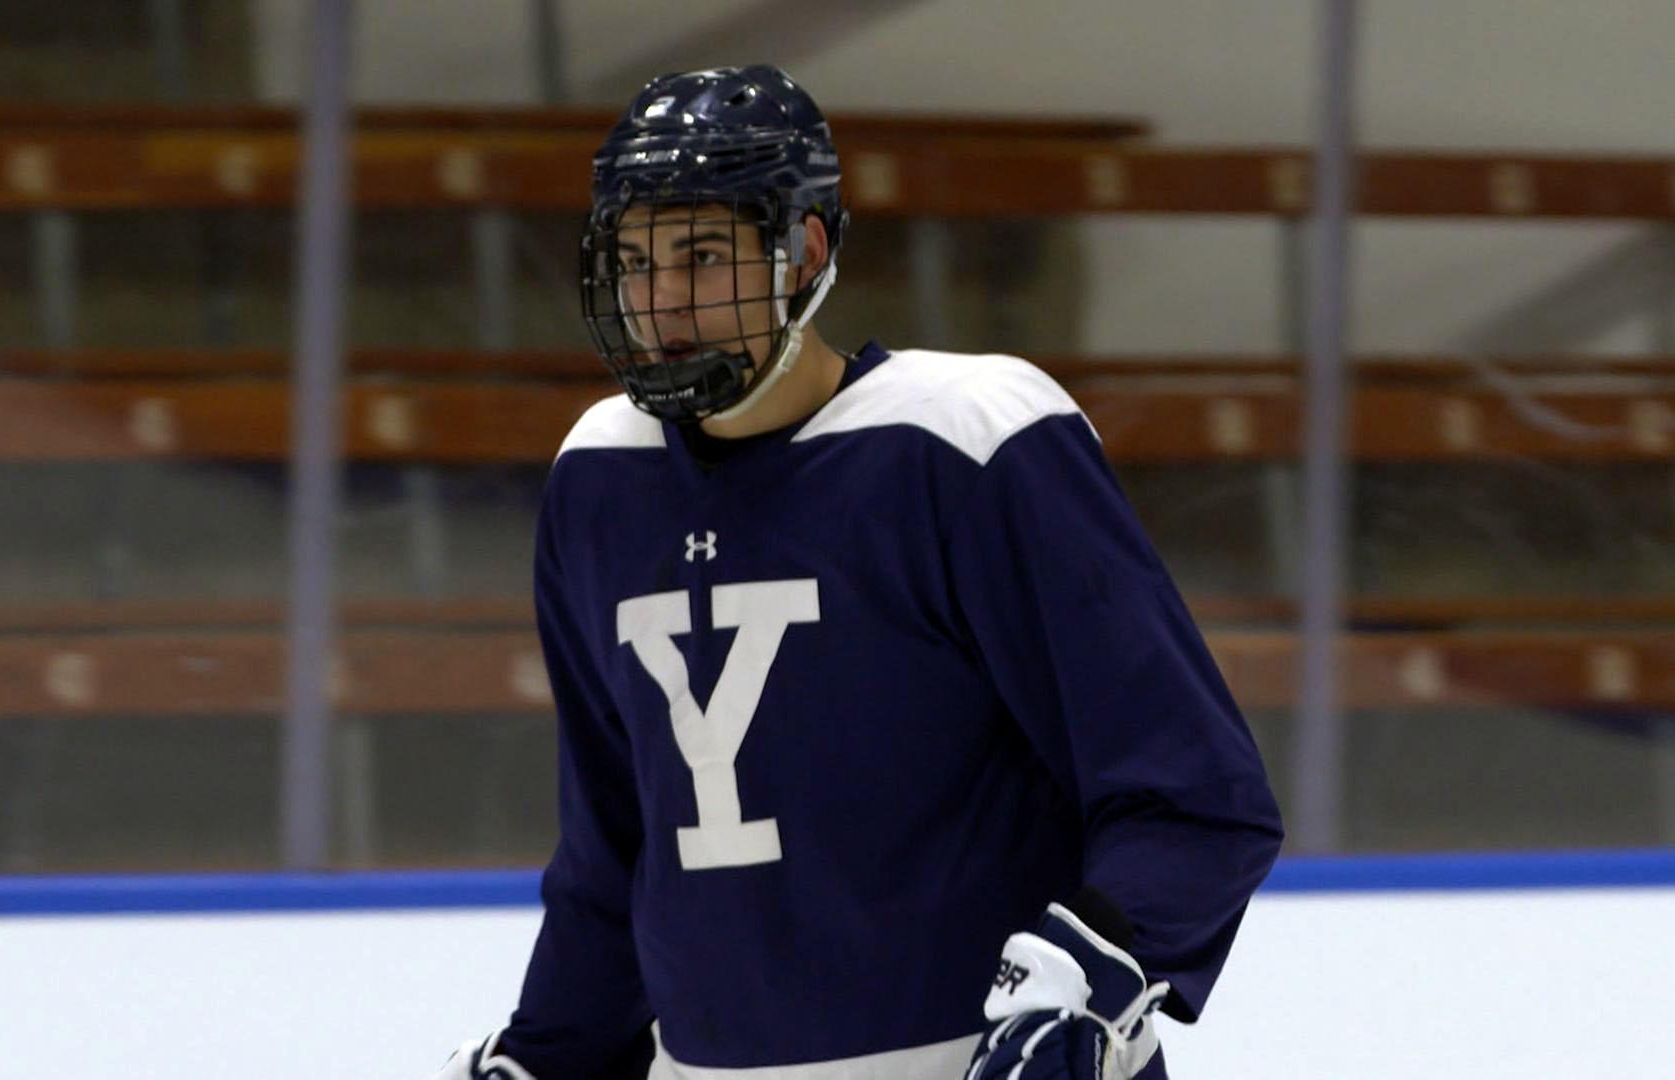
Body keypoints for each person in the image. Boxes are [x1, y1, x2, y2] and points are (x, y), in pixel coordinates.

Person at [436, 64, 1282, 1079]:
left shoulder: (964, 443)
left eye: (702, 256)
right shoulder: (599, 478)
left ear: (804, 251)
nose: (661, 301)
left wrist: (1089, 984)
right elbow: (618, 852)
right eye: (634, 259)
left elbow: (1192, 795)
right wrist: (550, 1054)